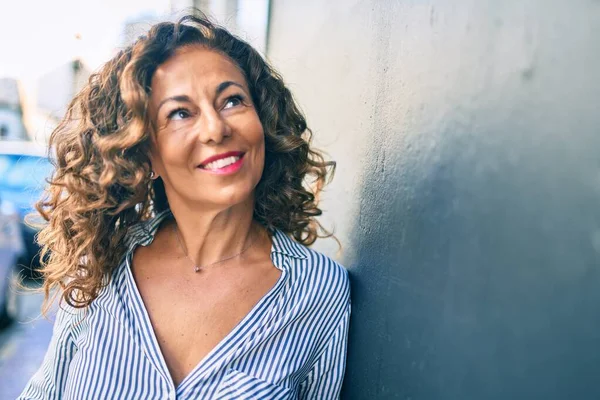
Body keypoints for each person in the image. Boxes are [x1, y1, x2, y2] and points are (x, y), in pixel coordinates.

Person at [18, 12, 350, 400]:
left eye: (232, 101)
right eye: (179, 113)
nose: (215, 128)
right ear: (145, 154)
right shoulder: (104, 267)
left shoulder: (318, 292)